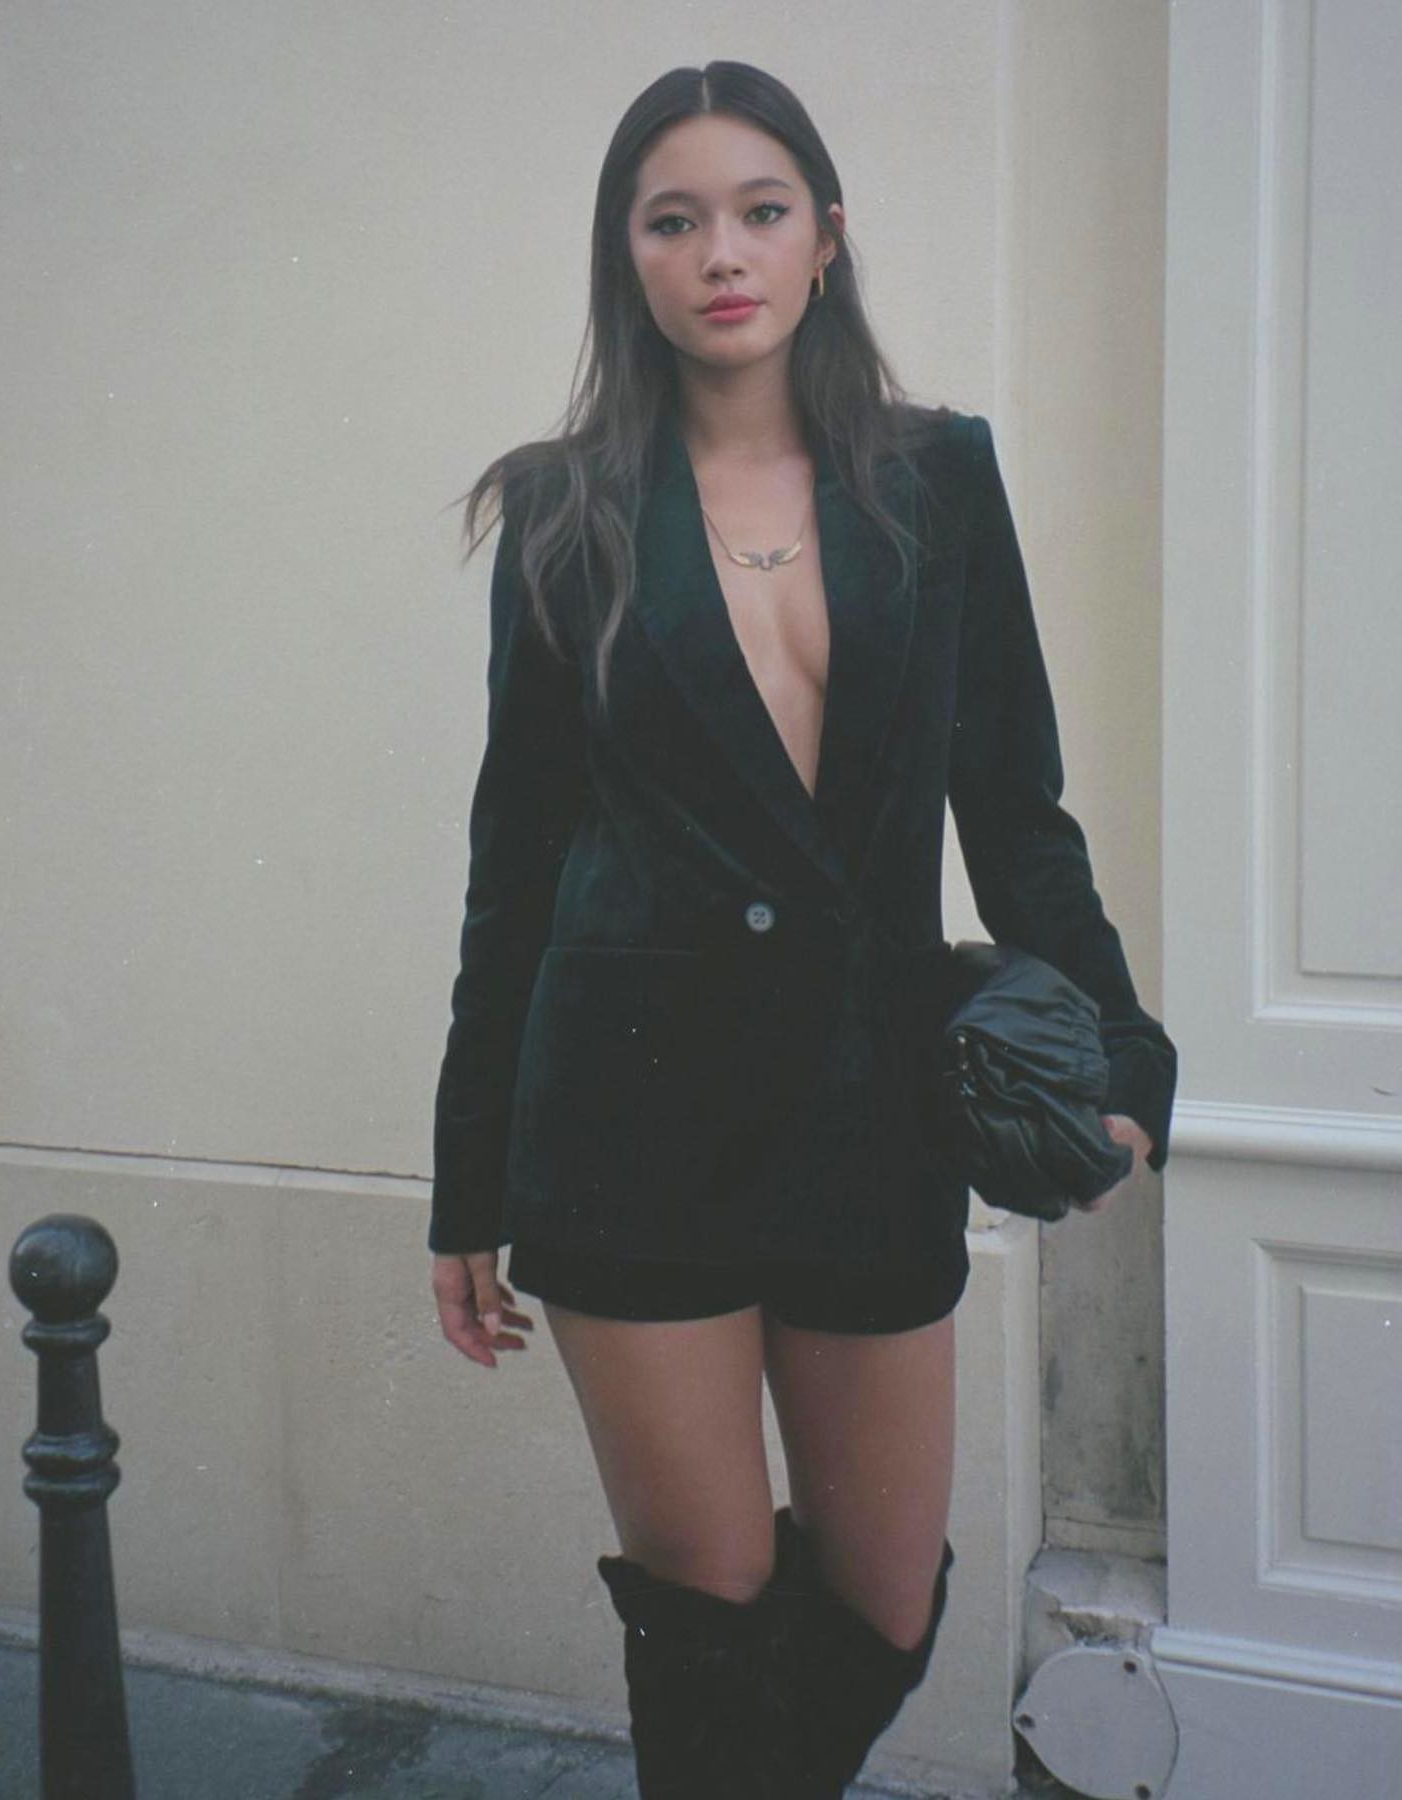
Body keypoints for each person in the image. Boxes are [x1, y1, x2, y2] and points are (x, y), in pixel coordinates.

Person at [427, 59, 1178, 1800]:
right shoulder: (563, 510)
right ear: (626, 257)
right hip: (627, 1122)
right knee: (708, 1606)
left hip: (866, 1109)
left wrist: (1124, 1056)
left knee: (886, 1600)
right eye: (672, 221)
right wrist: (470, 1178)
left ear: (825, 238)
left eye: (760, 212)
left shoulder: (938, 479)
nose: (721, 254)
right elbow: (513, 863)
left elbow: (1018, 811)